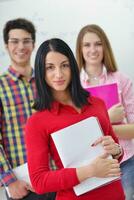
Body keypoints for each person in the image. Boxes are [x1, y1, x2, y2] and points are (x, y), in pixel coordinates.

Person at [25, 38, 125, 200]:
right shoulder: (37, 122)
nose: (58, 74)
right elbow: (39, 182)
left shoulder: (97, 104)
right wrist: (89, 171)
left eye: (64, 65)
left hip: (114, 194)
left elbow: (116, 155)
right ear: (41, 72)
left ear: (72, 66)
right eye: (50, 67)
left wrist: (116, 150)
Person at [76, 24, 134, 200]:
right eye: (87, 45)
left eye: (98, 44)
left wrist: (105, 130)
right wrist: (108, 118)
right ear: (80, 49)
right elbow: (77, 134)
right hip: (89, 167)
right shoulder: (74, 86)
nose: (93, 49)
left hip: (125, 163)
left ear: (105, 47)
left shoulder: (121, 80)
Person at [0, 18, 56, 200]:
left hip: (57, 177)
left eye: (26, 41)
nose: (21, 46)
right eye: (14, 41)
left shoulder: (49, 82)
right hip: (24, 186)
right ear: (6, 46)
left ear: (33, 44)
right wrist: (9, 181)